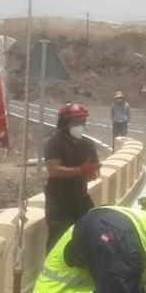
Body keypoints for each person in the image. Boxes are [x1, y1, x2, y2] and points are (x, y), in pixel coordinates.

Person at [44, 102, 101, 251]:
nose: (79, 125)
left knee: (89, 231)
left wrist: (91, 173)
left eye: (82, 122)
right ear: (65, 123)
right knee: (59, 238)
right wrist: (80, 171)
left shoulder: (88, 144)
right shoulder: (55, 143)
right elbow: (53, 170)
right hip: (58, 200)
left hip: (80, 196)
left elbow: (92, 174)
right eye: (75, 122)